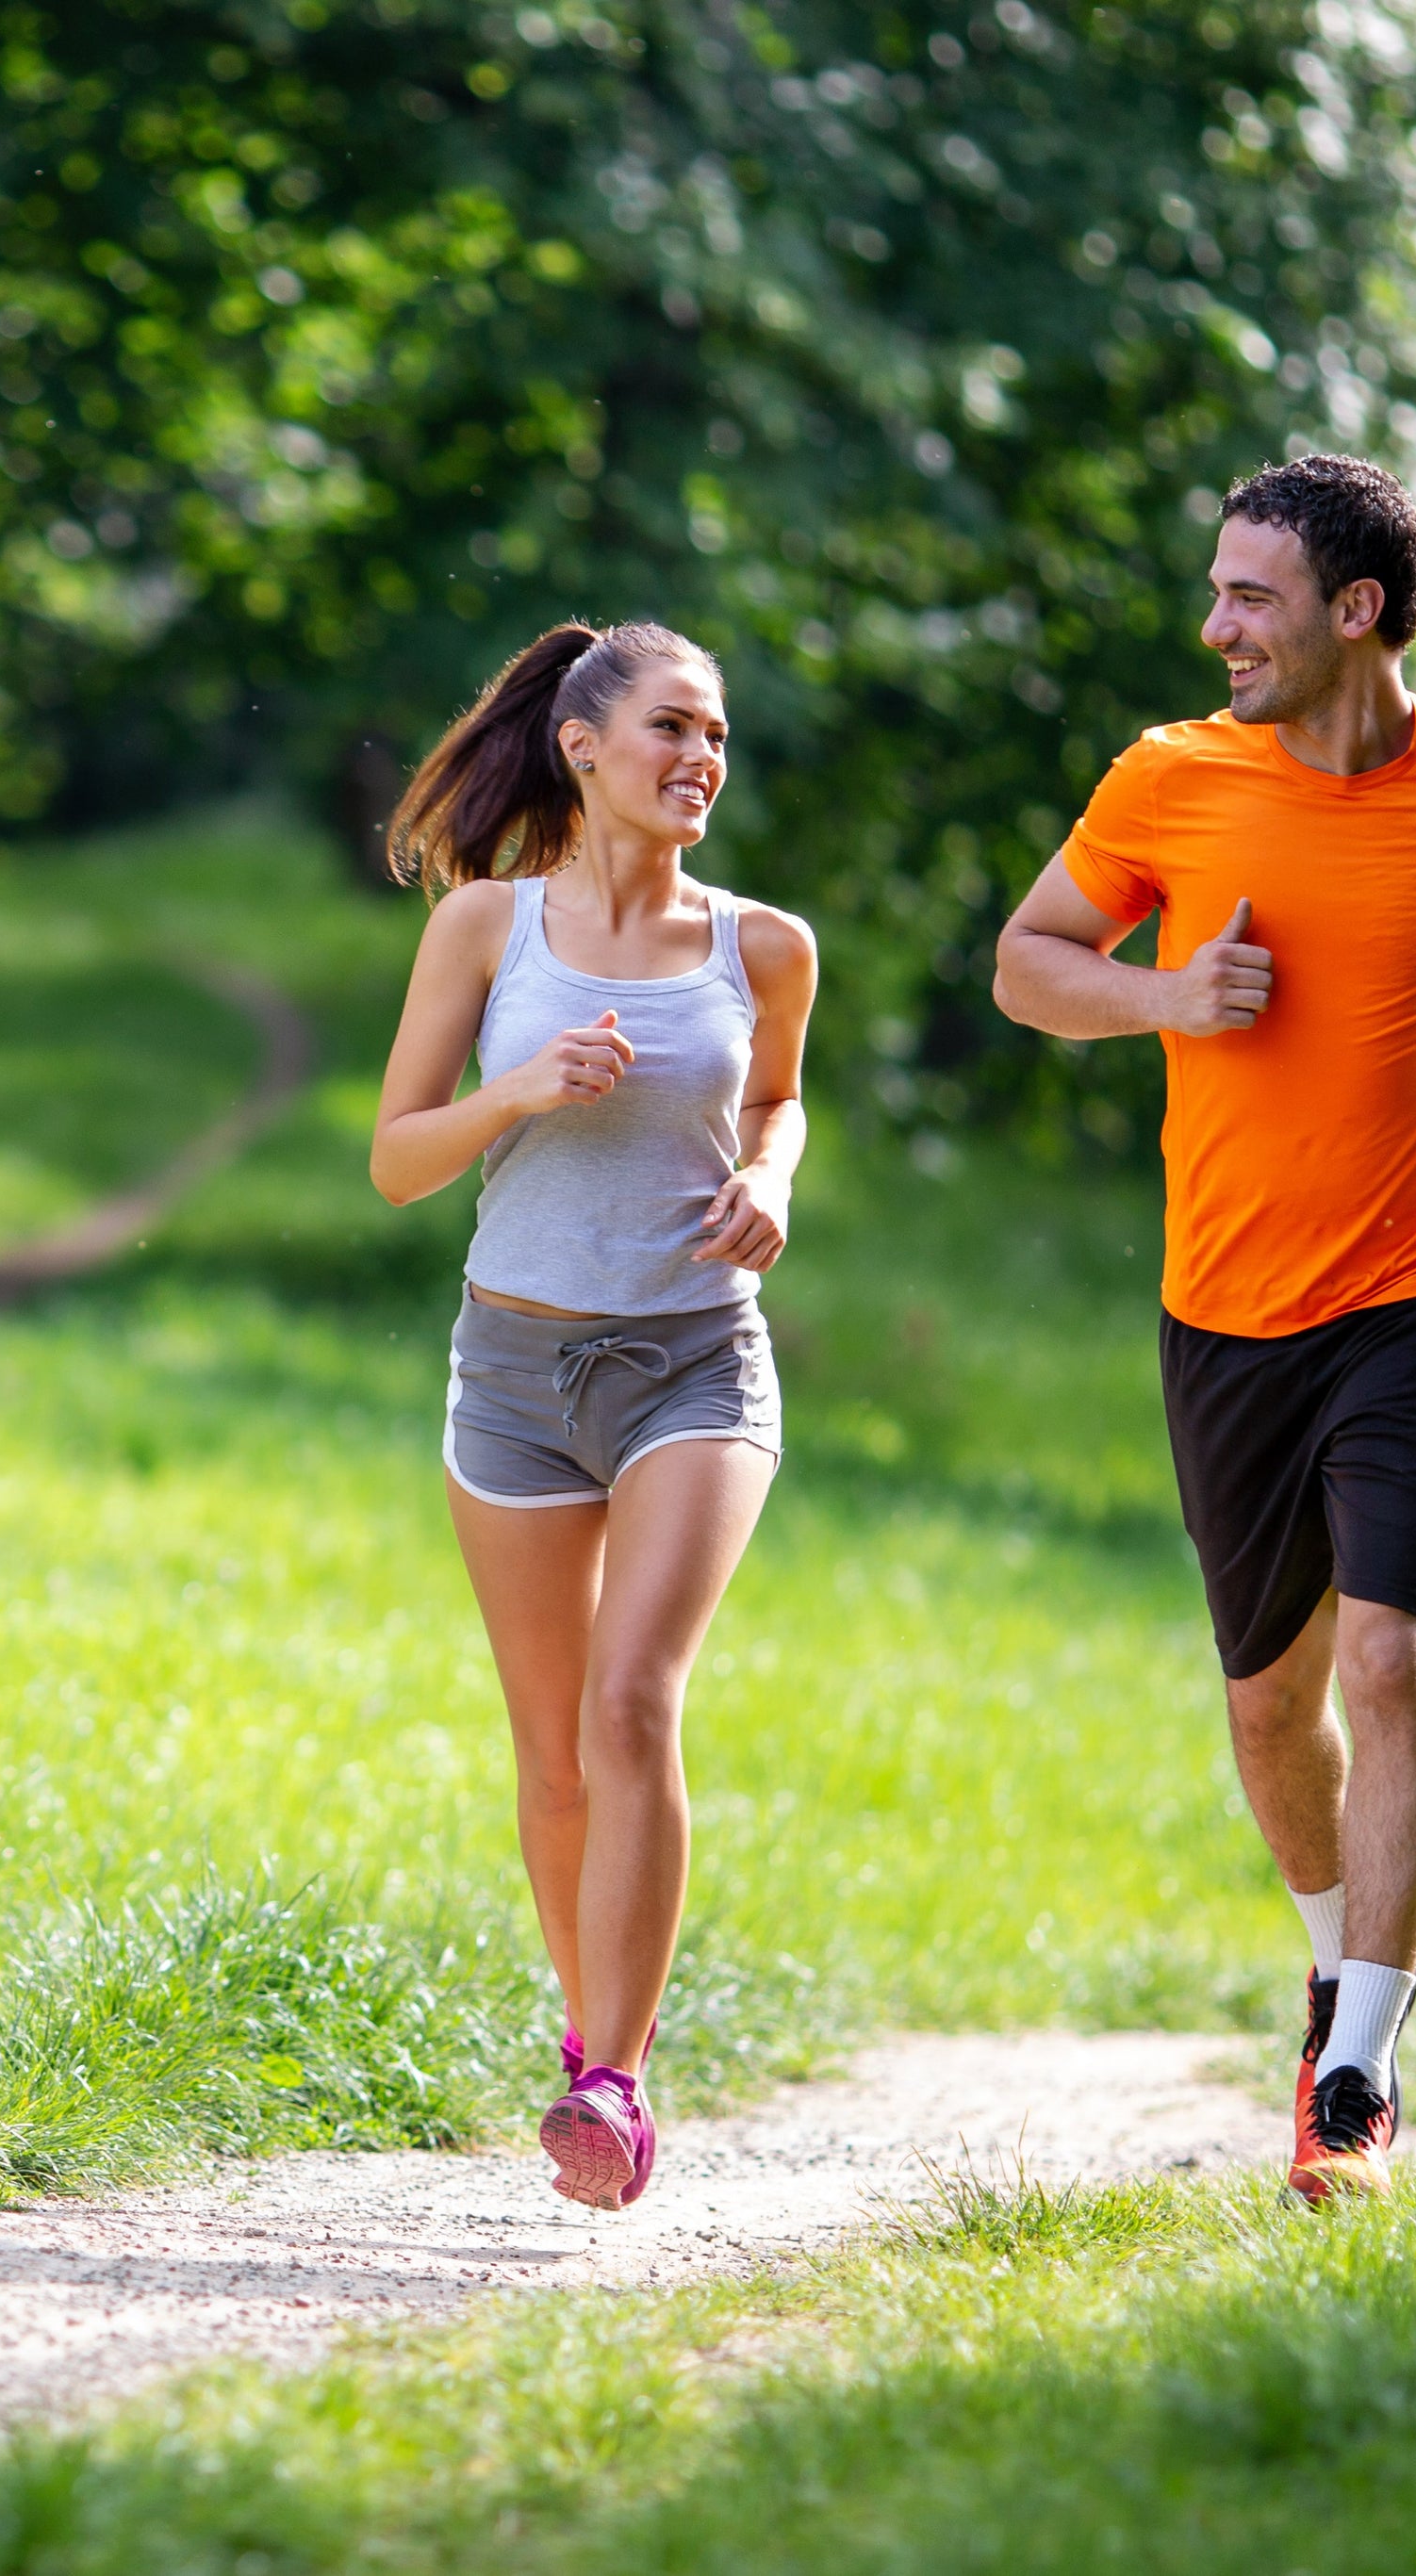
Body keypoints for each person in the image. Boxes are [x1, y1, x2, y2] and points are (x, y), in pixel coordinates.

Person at [992, 455, 1416, 2201]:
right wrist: (1161, 995)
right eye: (1217, 591)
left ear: (1357, 611)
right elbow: (1027, 960)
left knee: (1388, 1654)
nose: (1216, 627)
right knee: (1274, 1705)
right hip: (1226, 1309)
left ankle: (1360, 2052)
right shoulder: (1172, 780)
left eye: (1250, 596)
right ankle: (1329, 1963)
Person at [370, 619, 818, 2210]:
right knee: (552, 1755)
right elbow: (400, 1158)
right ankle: (587, 2042)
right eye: (674, 730)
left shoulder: (763, 945)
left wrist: (766, 1178)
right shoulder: (488, 931)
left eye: (718, 738)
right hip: (512, 1369)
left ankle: (619, 2085)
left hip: (695, 1359)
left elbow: (775, 1094)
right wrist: (517, 1092)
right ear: (582, 743)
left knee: (636, 1700)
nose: (703, 760)